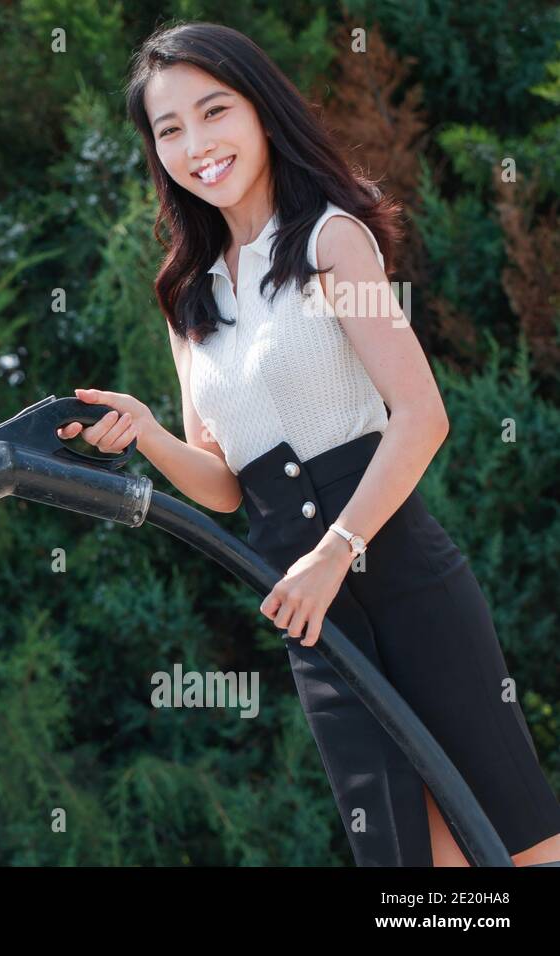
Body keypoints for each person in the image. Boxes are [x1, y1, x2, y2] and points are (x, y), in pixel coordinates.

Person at [57, 20, 560, 867]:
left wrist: (336, 550)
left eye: (213, 112)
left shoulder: (332, 241)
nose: (196, 144)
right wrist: (145, 432)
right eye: (169, 129)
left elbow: (421, 415)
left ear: (260, 111)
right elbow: (223, 486)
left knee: (516, 848)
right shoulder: (185, 297)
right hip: (314, 625)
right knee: (409, 869)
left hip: (405, 582)